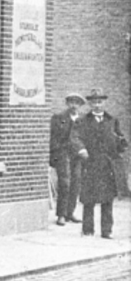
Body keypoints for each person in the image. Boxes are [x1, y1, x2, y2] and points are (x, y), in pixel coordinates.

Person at [73, 90, 128, 238]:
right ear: (90, 104)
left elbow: (119, 137)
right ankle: (88, 230)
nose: (97, 105)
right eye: (94, 102)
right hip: (90, 163)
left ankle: (106, 231)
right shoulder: (82, 120)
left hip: (107, 165)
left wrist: (121, 143)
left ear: (104, 102)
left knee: (107, 199)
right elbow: (75, 138)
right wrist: (81, 149)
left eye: (100, 102)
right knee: (88, 199)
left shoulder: (112, 120)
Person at [49, 92, 86, 225]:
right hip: (63, 154)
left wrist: (83, 150)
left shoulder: (83, 120)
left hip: (77, 156)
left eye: (77, 103)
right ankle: (61, 215)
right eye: (71, 102)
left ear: (80, 105)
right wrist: (54, 154)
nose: (74, 105)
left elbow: (85, 137)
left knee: (76, 183)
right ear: (67, 103)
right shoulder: (58, 118)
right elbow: (54, 137)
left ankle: (70, 213)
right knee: (65, 183)